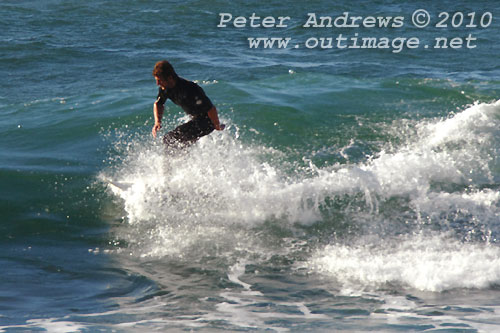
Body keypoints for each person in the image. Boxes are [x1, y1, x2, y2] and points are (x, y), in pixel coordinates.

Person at [151, 60, 224, 148]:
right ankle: (181, 160)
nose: (157, 83)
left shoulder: (190, 88)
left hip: (207, 122)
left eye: (160, 80)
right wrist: (157, 122)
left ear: (170, 78)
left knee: (169, 139)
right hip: (195, 120)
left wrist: (217, 125)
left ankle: (173, 161)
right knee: (175, 141)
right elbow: (158, 104)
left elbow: (211, 108)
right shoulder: (165, 89)